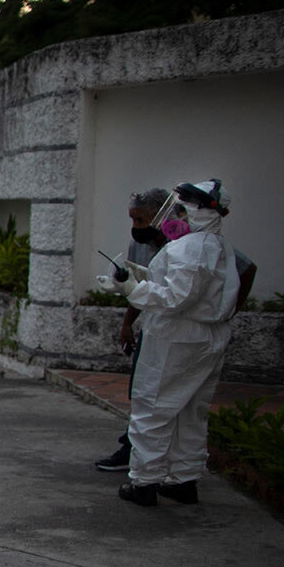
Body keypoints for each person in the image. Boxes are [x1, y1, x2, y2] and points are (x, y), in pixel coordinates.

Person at [96, 178, 240, 506]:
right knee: (190, 410)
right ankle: (183, 480)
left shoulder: (190, 246)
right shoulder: (215, 244)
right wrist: (138, 278)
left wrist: (133, 289)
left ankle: (143, 483)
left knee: (153, 407)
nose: (174, 214)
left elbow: (177, 298)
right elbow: (186, 288)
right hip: (204, 337)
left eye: (182, 207)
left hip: (178, 338)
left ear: (199, 210)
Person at [94, 188, 171, 471]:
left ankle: (152, 468)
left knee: (168, 400)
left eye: (140, 220)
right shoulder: (140, 244)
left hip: (182, 333)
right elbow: (140, 287)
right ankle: (133, 450)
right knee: (141, 391)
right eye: (132, 220)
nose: (135, 227)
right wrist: (128, 322)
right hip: (153, 328)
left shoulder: (186, 246)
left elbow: (245, 268)